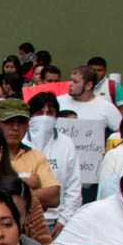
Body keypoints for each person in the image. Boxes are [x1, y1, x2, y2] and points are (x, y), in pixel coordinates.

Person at [26, 91, 84, 231]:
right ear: (30, 116)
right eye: (39, 113)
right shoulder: (19, 142)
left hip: (55, 223)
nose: (45, 117)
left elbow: (73, 186)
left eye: (50, 112)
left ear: (56, 116)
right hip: (22, 222)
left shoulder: (67, 144)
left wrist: (64, 220)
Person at [0, 99, 59, 213]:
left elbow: (53, 197)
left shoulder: (37, 156)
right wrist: (30, 183)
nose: (15, 128)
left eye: (22, 122)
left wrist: (6, 190)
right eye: (9, 121)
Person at [58, 65, 123, 140]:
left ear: (88, 85)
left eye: (75, 82)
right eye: (70, 80)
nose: (70, 84)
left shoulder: (106, 107)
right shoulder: (58, 102)